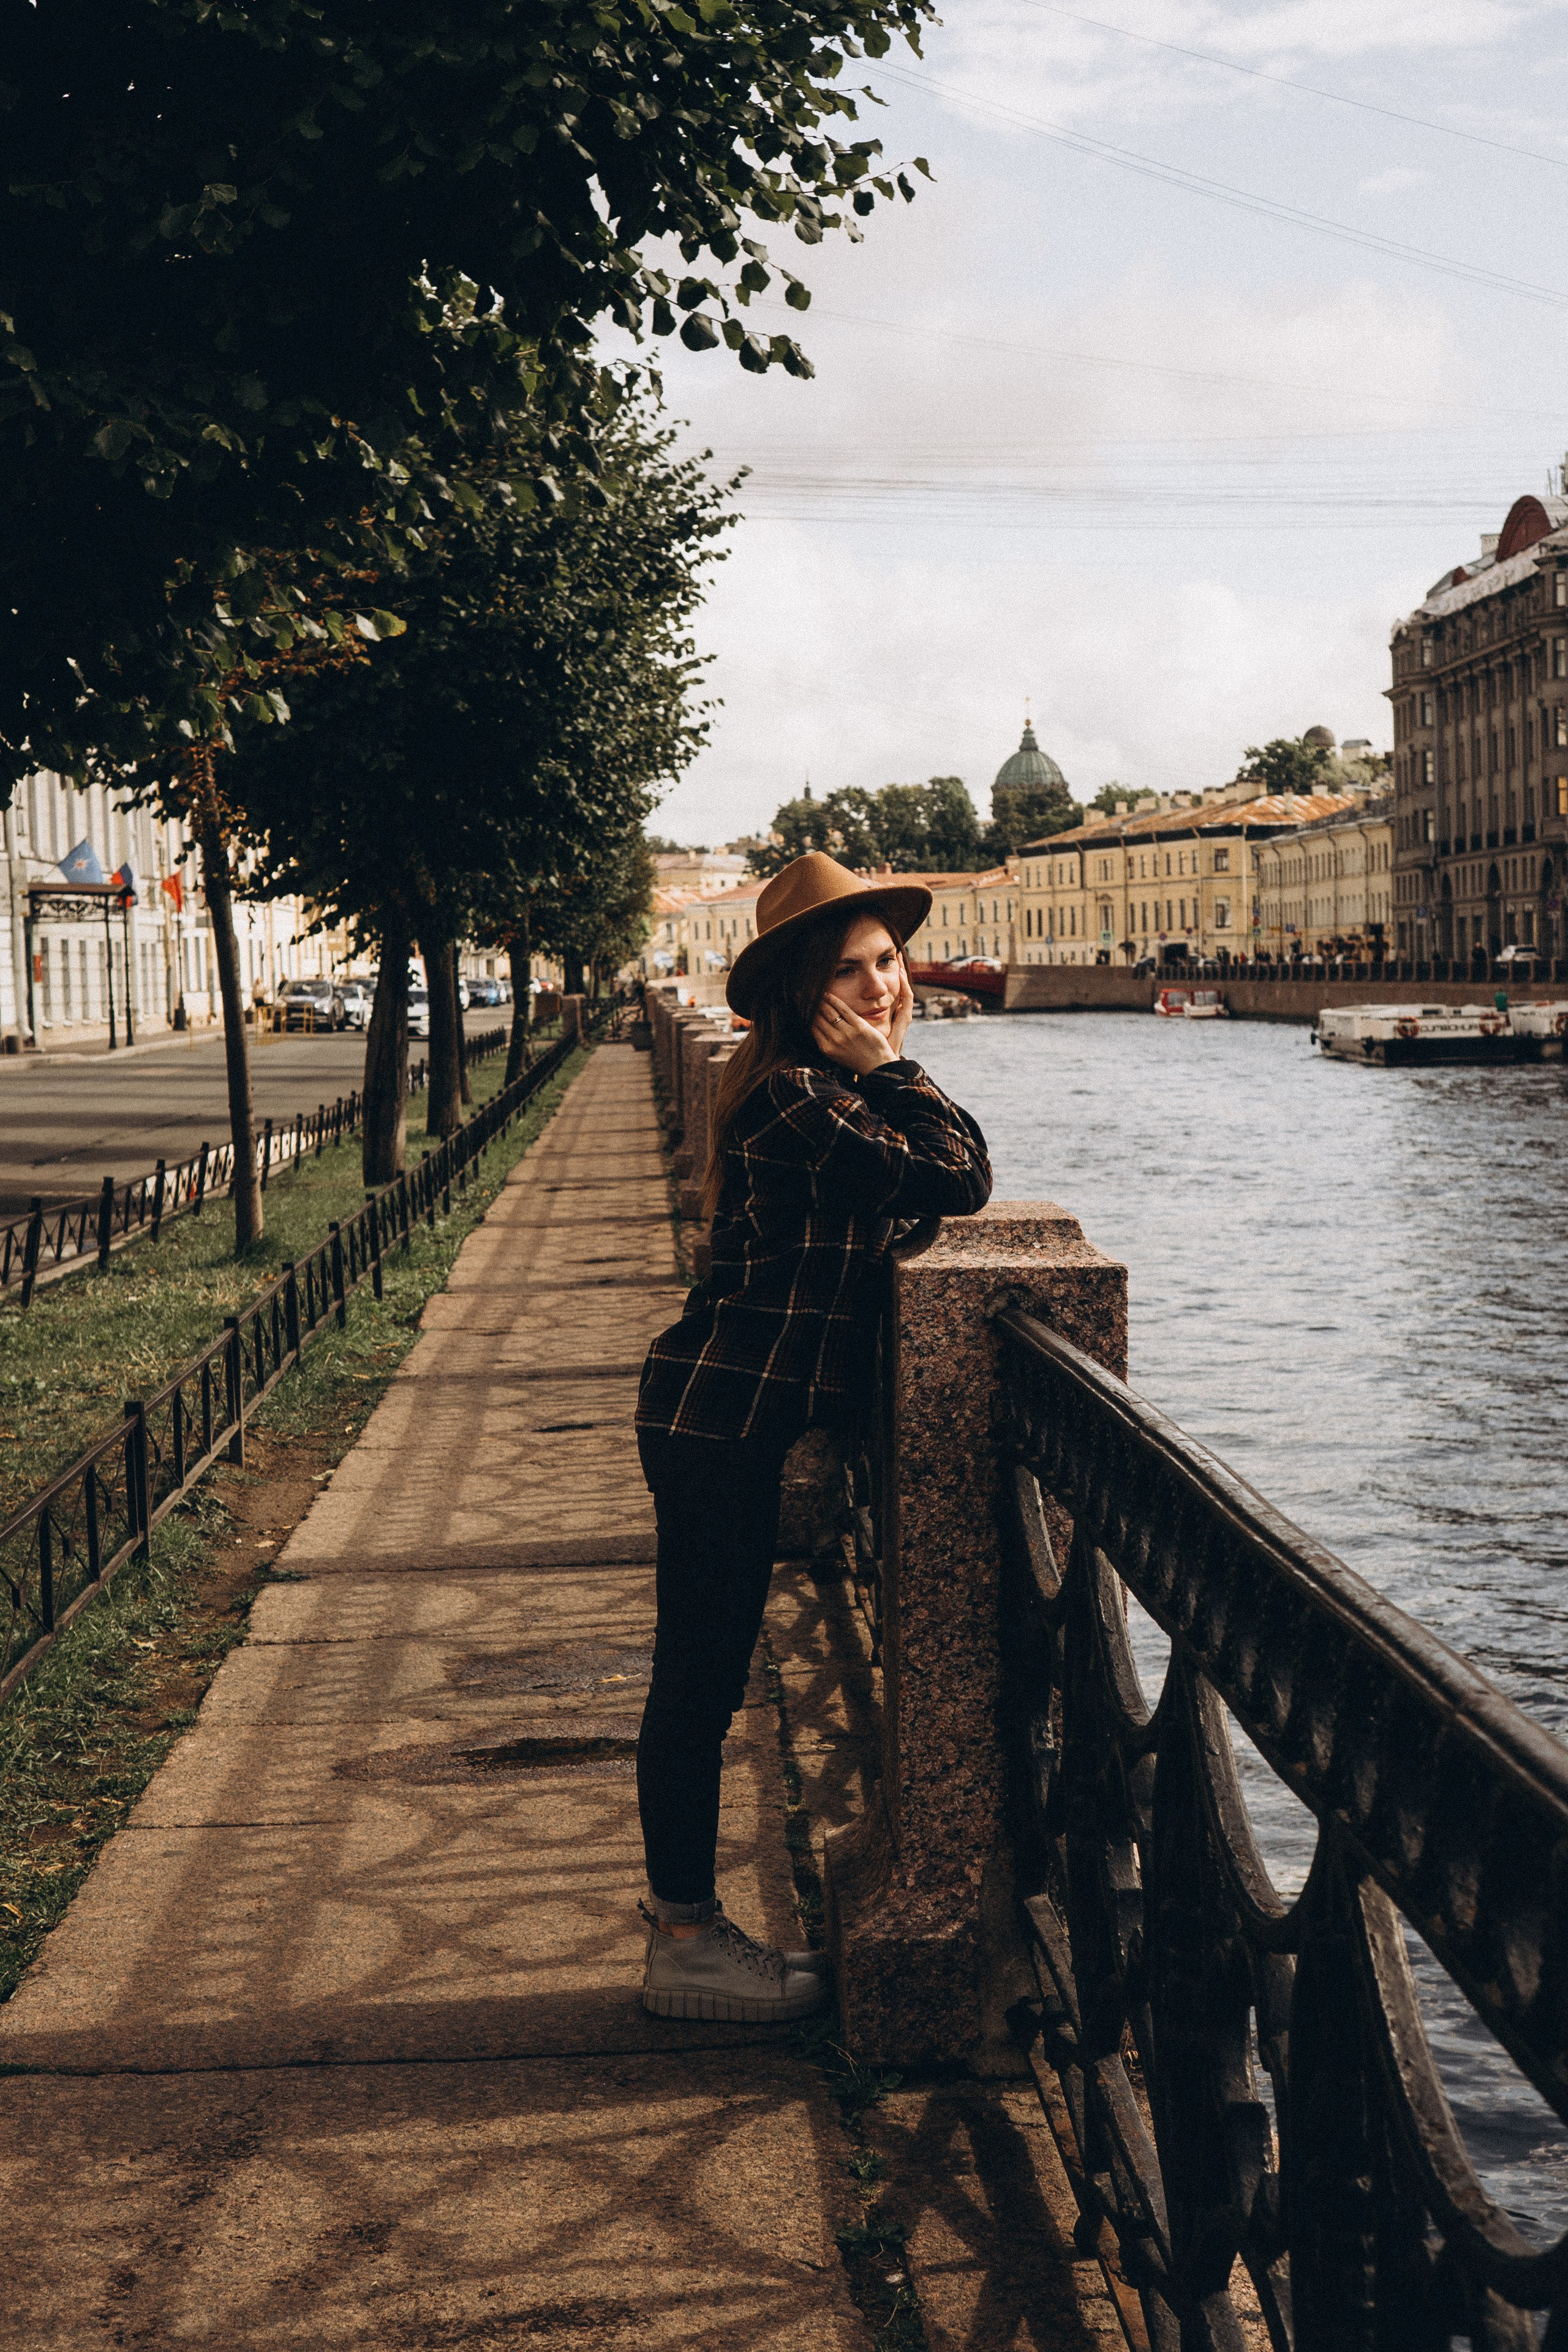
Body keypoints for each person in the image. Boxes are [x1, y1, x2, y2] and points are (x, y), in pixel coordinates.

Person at [633, 851, 993, 2022]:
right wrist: (895, 1068)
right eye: (854, 971)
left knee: (704, 1673)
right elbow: (961, 1179)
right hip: (717, 1421)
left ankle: (690, 1936)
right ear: (803, 993)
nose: (884, 986)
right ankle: (682, 1943)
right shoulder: (802, 1097)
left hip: (724, 1412)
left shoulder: (801, 1091)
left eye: (889, 962)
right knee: (697, 1682)